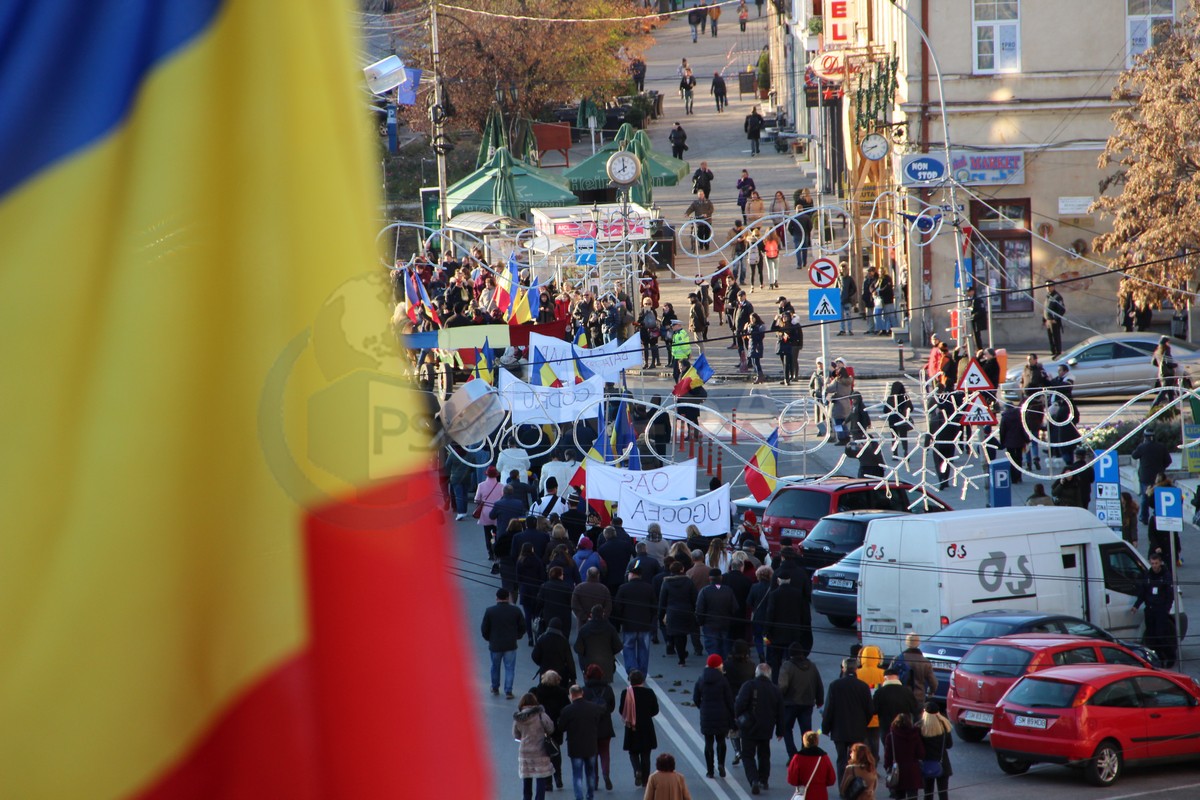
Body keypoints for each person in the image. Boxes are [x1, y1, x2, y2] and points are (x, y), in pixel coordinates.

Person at [735, 663, 783, 794]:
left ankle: (753, 780)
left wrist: (738, 719)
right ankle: (764, 780)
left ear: (756, 673)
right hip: (766, 728)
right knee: (764, 754)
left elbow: (739, 704)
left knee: (747, 755)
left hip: (749, 727)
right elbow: (780, 712)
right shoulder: (775, 689)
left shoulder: (749, 686)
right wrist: (780, 730)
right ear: (769, 674)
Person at [822, 657, 874, 779]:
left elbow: (829, 709)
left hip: (839, 730)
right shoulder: (863, 686)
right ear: (856, 669)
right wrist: (863, 723)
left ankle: (843, 787)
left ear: (843, 668)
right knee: (857, 760)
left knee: (841, 760)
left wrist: (825, 728)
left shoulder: (835, 685)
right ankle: (855, 787)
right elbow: (870, 710)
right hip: (858, 731)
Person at [763, 570, 813, 679]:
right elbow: (803, 614)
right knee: (791, 659)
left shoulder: (774, 595)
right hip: (793, 634)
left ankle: (776, 680)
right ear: (789, 580)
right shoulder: (798, 594)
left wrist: (766, 631)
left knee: (776, 660)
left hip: (777, 634)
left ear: (778, 580)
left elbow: (770, 614)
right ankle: (790, 679)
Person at [778, 642, 824, 760]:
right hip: (807, 703)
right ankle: (805, 754)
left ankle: (793, 755)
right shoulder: (812, 666)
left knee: (787, 728)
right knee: (806, 731)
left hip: (790, 704)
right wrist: (819, 700)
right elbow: (819, 684)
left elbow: (782, 686)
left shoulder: (787, 666)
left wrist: (778, 698)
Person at [558, 684, 604, 800]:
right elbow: (598, 721)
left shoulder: (567, 710)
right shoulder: (593, 707)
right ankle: (590, 795)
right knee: (591, 772)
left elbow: (561, 727)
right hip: (591, 744)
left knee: (577, 774)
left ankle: (579, 797)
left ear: (571, 695)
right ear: (582, 693)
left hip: (575, 746)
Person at [693, 654, 735, 778]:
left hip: (706, 715)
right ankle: (721, 764)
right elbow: (729, 700)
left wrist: (702, 707)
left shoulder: (701, 679)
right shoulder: (723, 680)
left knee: (708, 742)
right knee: (721, 741)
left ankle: (710, 770)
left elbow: (696, 698)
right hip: (722, 714)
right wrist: (732, 716)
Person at [1135, 551, 1178, 667]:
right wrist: (1136, 605)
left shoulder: (1166, 576)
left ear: (1160, 563)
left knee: (1160, 635)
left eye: (1156, 563)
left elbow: (1170, 595)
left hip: (1161, 610)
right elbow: (1143, 592)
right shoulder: (1148, 575)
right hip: (1150, 610)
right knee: (1151, 637)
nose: (1154, 565)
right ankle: (1159, 658)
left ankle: (1170, 656)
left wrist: (1166, 609)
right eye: (1152, 563)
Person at [482, 588, 526, 699]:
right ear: (507, 597)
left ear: (497, 598)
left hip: (495, 644)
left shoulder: (490, 611)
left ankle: (495, 687)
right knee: (510, 668)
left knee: (495, 667)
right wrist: (517, 636)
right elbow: (523, 627)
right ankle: (508, 691)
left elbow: (484, 628)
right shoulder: (515, 611)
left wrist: (489, 638)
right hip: (510, 644)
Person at [513, 692, 556, 800]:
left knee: (527, 779)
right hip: (540, 750)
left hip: (525, 751)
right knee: (540, 778)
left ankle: (526, 798)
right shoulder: (541, 715)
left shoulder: (519, 717)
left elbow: (516, 734)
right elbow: (550, 728)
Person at [581, 663, 616, 791]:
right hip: (605, 725)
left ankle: (594, 781)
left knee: (592, 755)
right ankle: (606, 773)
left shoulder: (584, 690)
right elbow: (612, 707)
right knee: (605, 752)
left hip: (590, 727)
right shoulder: (608, 689)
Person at [659, 561, 699, 666]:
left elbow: (662, 600)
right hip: (686, 611)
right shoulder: (688, 582)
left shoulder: (666, 582)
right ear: (682, 569)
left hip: (672, 612)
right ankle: (682, 654)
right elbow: (694, 598)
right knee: (683, 635)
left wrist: (660, 615)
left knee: (676, 635)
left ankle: (681, 657)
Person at [1132, 429, 1172, 525]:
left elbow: (1134, 455)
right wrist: (1162, 467)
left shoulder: (1142, 447)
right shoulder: (1161, 447)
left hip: (1145, 476)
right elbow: (1168, 461)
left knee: (1145, 497)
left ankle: (1144, 517)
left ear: (1145, 437)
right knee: (1158, 496)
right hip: (1159, 477)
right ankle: (1158, 515)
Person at [575, 605, 623, 684]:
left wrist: (583, 666)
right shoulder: (610, 628)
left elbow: (578, 649)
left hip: (589, 666)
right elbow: (618, 646)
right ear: (603, 614)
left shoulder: (584, 629)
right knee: (605, 690)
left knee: (590, 690)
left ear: (591, 615)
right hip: (606, 667)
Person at [883, 713, 924, 800]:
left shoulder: (891, 736)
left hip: (898, 772)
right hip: (913, 772)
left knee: (899, 797)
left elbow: (888, 757)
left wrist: (887, 767)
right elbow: (921, 753)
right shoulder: (915, 735)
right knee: (913, 796)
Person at [786, 730, 836, 800]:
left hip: (805, 794)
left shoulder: (797, 758)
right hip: (821, 794)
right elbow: (831, 779)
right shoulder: (824, 757)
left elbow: (792, 779)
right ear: (817, 741)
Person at [872, 666, 919, 739]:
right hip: (904, 728)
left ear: (885, 678)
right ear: (897, 678)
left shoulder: (879, 692)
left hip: (886, 728)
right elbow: (915, 709)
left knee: (888, 748)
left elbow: (874, 710)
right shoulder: (907, 692)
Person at [918, 702, 953, 800]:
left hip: (927, 764)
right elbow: (949, 745)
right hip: (943, 765)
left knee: (928, 794)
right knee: (943, 794)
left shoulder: (920, 727)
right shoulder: (944, 725)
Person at [892, 633, 937, 705]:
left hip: (901, 695)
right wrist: (931, 692)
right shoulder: (925, 662)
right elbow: (933, 682)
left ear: (906, 643)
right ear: (918, 643)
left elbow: (889, 676)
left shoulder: (898, 659)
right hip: (918, 697)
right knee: (918, 716)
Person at [532, 617, 577, 686]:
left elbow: (534, 656)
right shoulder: (564, 642)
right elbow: (569, 661)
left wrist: (542, 663)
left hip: (545, 672)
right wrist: (573, 677)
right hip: (560, 674)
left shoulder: (542, 639)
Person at [475, 465, 505, 560]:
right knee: (497, 533)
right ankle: (497, 551)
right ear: (496, 475)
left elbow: (476, 500)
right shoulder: (501, 486)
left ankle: (490, 553)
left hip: (485, 514)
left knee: (487, 534)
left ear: (487, 475)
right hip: (497, 513)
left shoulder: (481, 485)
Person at [884, 381, 914, 456]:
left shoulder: (890, 398)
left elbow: (885, 410)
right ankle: (905, 451)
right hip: (903, 419)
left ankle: (895, 453)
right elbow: (911, 408)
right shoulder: (905, 397)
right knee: (904, 437)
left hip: (892, 420)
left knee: (894, 436)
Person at [1044, 282, 1066, 359]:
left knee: (1056, 337)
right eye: (1046, 286)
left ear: (1053, 286)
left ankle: (1058, 353)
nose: (1048, 288)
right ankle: (1053, 352)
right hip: (1048, 321)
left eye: (1049, 286)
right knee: (1051, 338)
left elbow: (1062, 310)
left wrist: (1055, 319)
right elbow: (1046, 309)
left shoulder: (1057, 297)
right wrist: (1044, 319)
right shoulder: (1048, 296)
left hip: (1054, 321)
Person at [837, 262, 857, 335]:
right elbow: (835, 288)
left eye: (844, 268)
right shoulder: (838, 278)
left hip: (847, 301)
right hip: (840, 300)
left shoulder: (849, 279)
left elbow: (854, 288)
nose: (843, 270)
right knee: (841, 316)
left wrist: (848, 295)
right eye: (841, 269)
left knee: (848, 316)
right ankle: (842, 330)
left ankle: (850, 330)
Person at [967, 285, 987, 350]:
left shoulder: (977, 300)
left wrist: (972, 316)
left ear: (972, 292)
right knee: (971, 336)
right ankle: (973, 349)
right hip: (972, 321)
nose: (967, 293)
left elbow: (981, 311)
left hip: (977, 321)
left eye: (968, 292)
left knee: (977, 337)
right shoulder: (969, 300)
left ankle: (979, 349)